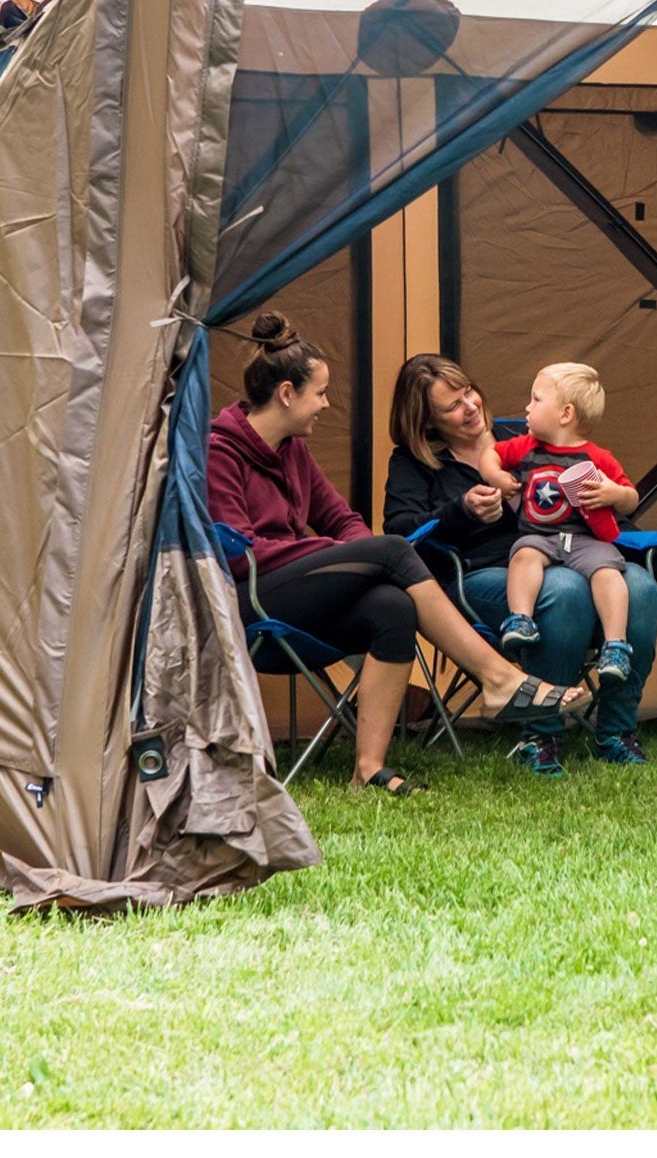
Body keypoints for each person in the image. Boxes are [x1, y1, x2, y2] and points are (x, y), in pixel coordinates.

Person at [207, 313, 584, 799]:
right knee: (390, 549)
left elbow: (341, 519)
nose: (326, 403)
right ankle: (499, 678)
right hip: (249, 602)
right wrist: (348, 554)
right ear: (286, 394)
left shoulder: (292, 450)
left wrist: (360, 561)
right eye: (319, 393)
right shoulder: (221, 451)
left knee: (392, 605)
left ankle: (368, 768)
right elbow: (240, 556)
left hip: (297, 593)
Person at [383, 353, 657, 777]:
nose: (471, 406)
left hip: (570, 554)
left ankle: (617, 732)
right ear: (427, 422)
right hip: (480, 574)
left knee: (640, 587)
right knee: (564, 590)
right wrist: (461, 509)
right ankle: (540, 736)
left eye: (469, 392)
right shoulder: (414, 462)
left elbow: (606, 510)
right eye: (453, 405)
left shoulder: (524, 435)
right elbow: (400, 531)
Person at [485, 363, 639, 685]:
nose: (527, 408)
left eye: (536, 399)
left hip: (586, 540)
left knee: (608, 573)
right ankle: (521, 619)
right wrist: (496, 476)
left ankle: (615, 645)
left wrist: (614, 493)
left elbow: (631, 498)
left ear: (566, 414)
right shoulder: (525, 446)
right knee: (523, 555)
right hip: (539, 536)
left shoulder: (598, 458)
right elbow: (490, 455)